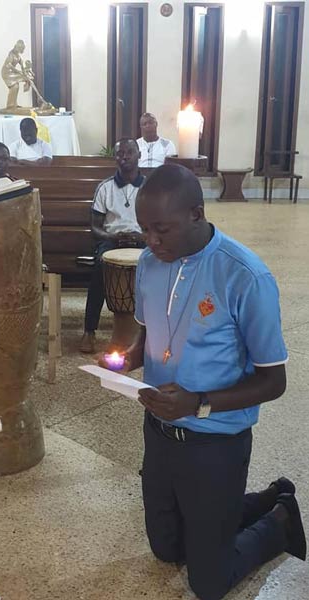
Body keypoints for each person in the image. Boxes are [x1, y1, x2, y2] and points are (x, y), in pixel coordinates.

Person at [105, 164, 306, 600]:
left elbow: (274, 382)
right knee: (167, 550)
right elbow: (146, 332)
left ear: (196, 213)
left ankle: (280, 518)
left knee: (209, 583)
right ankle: (258, 500)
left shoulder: (245, 276)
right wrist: (127, 358)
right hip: (159, 433)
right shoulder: (149, 263)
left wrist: (198, 402)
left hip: (216, 442)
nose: (150, 241)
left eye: (162, 230)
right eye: (144, 229)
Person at [80, 138, 145, 354]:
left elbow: (158, 223)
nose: (124, 157)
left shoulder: (149, 188)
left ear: (139, 155)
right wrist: (112, 237)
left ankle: (154, 332)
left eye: (129, 152)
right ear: (115, 158)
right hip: (112, 240)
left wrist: (143, 236)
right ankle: (89, 330)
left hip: (142, 240)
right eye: (120, 153)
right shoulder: (105, 187)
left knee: (157, 269)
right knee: (100, 268)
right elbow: (95, 228)